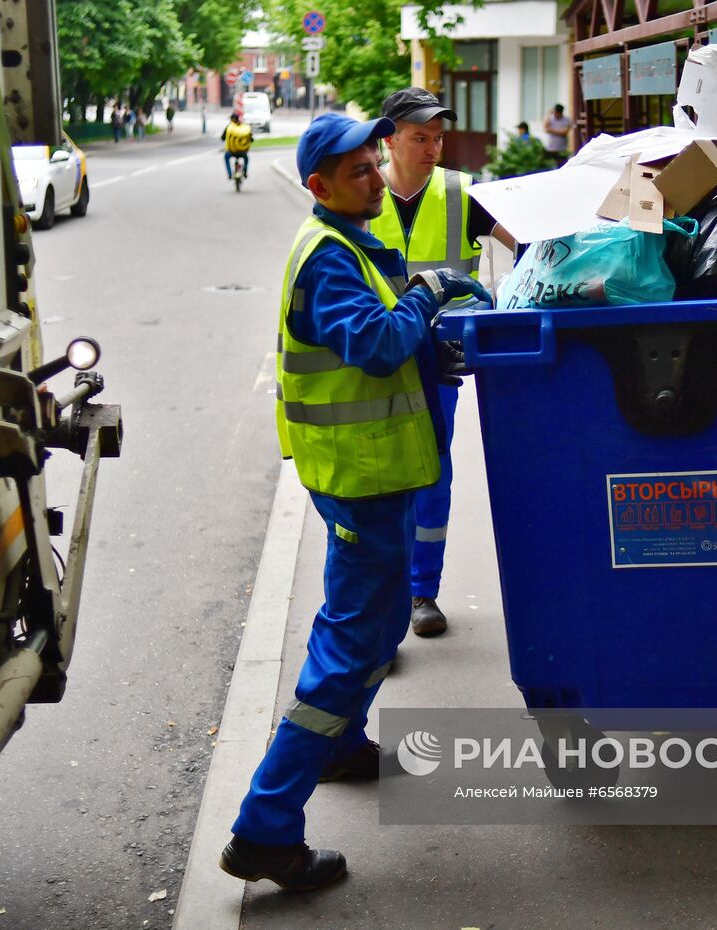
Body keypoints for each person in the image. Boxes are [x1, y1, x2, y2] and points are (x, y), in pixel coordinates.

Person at [219, 112, 490, 890]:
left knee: (364, 634)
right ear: (319, 186)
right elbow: (373, 345)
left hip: (373, 473)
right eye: (360, 170)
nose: (377, 176)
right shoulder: (329, 256)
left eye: (376, 162)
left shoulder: (351, 243)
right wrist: (428, 296)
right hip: (362, 478)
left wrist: (424, 327)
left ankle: (338, 748)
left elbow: (380, 339)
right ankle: (265, 828)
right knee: (351, 649)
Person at [371, 87, 516, 639]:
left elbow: (525, 244)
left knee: (432, 472)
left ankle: (420, 593)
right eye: (419, 138)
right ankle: (382, 599)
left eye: (437, 138)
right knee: (381, 483)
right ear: (389, 140)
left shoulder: (462, 194)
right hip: (376, 357)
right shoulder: (361, 193)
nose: (433, 149)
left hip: (439, 359)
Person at [221, 112, 253, 180]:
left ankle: (229, 174)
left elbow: (223, 138)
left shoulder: (229, 127)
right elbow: (251, 139)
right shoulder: (244, 127)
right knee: (246, 158)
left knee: (226, 157)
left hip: (231, 152)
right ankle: (245, 172)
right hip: (242, 152)